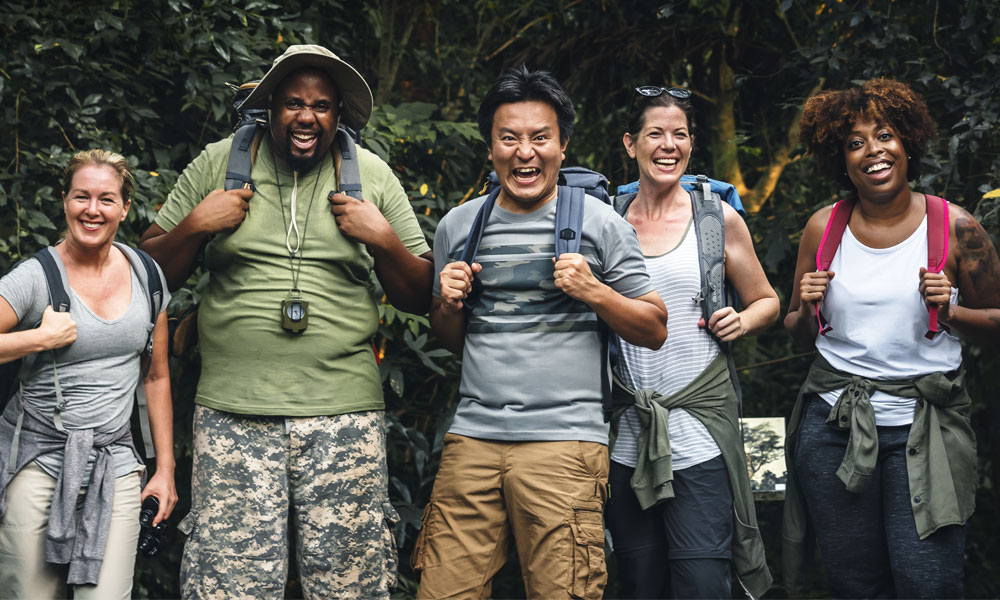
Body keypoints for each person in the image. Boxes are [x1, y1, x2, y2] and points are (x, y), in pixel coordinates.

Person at [138, 45, 433, 599]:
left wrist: (384, 239)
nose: (307, 116)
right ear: (270, 106)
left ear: (338, 115)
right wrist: (198, 224)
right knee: (228, 587)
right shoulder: (218, 163)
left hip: (344, 415)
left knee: (351, 587)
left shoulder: (370, 175)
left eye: (322, 105)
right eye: (294, 103)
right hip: (232, 413)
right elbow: (145, 275)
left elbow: (420, 294)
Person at [411, 65, 667, 600]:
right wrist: (449, 300)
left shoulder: (601, 224)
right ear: (490, 148)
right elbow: (449, 338)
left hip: (565, 444)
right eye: (509, 138)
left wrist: (593, 291)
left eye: (539, 138)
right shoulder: (458, 227)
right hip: (472, 441)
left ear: (562, 145)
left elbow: (654, 328)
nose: (524, 152)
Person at [782, 78, 1000, 598]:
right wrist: (808, 307)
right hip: (835, 425)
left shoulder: (957, 227)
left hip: (925, 430)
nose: (873, 151)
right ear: (842, 159)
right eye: (855, 143)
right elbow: (796, 330)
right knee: (854, 583)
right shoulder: (823, 228)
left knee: (928, 581)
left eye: (884, 135)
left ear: (907, 143)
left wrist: (952, 311)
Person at [603, 86, 778, 600]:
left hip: (698, 434)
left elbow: (766, 300)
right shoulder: (605, 220)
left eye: (679, 135)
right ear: (629, 143)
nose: (668, 145)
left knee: (703, 582)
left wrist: (740, 322)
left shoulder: (715, 219)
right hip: (627, 435)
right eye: (655, 133)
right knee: (638, 583)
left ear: (691, 145)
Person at [0, 149, 177, 599]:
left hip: (113, 462)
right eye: (82, 197)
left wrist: (165, 470)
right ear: (65, 202)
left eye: (106, 199)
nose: (92, 210)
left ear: (124, 208)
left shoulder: (147, 275)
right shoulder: (35, 278)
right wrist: (36, 339)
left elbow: (155, 378)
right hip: (38, 460)